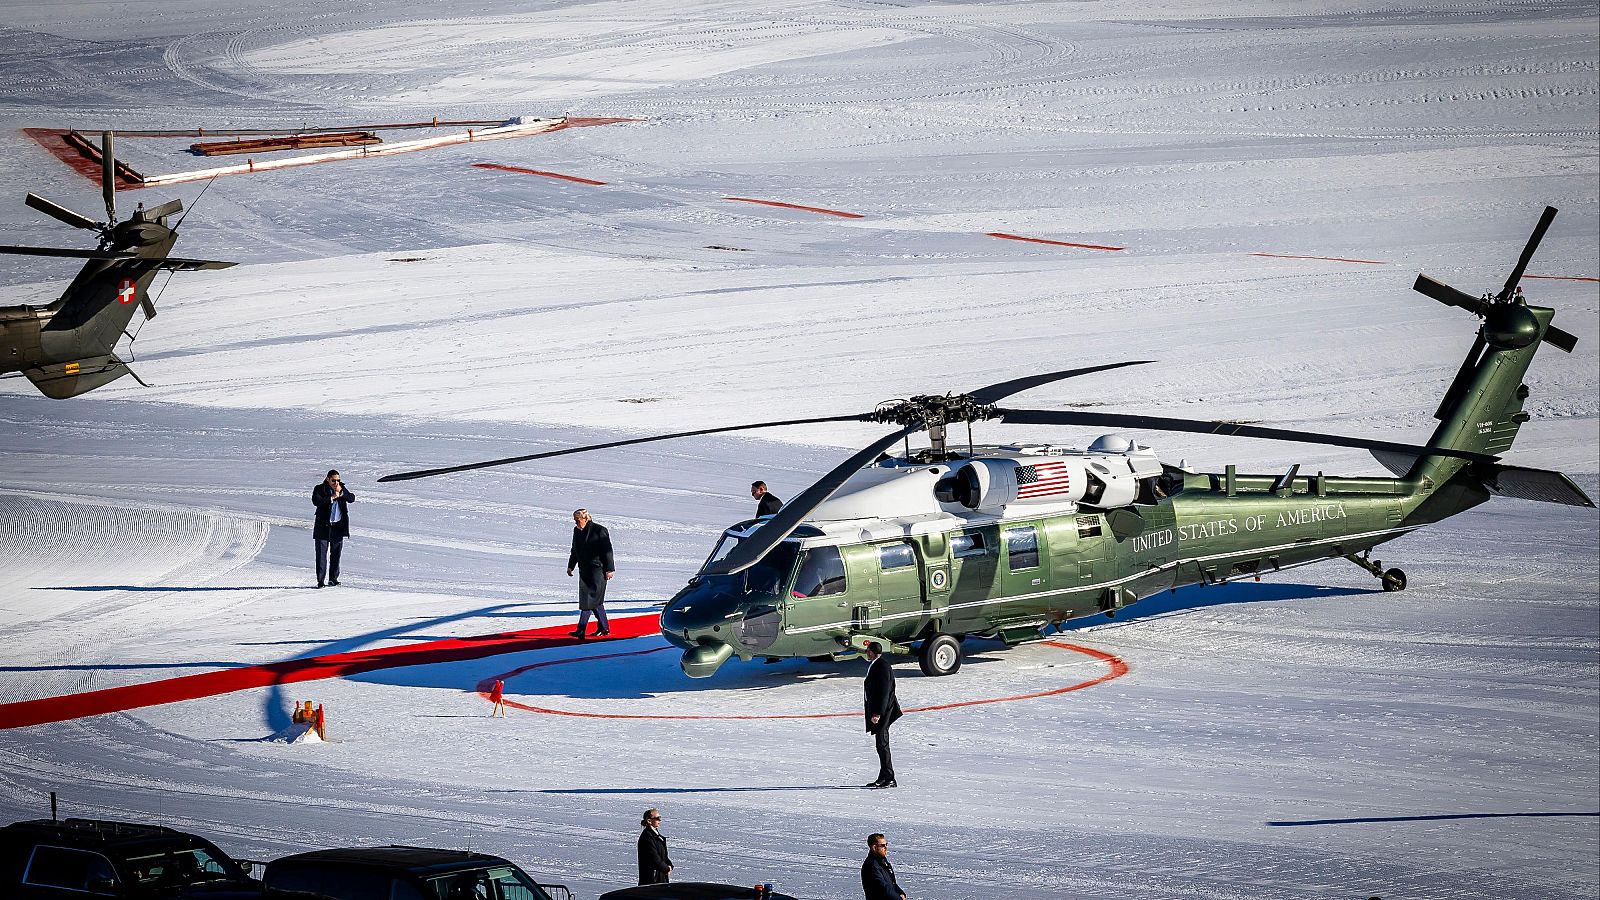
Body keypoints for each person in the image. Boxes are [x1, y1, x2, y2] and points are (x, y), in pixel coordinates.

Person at [566, 508, 615, 638]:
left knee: (590, 600)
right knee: (594, 602)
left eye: (578, 520)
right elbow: (574, 550)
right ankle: (604, 628)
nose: (576, 523)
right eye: (575, 520)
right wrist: (571, 566)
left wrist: (609, 569)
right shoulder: (576, 531)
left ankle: (581, 629)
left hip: (598, 571)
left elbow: (607, 551)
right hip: (584, 571)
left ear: (586, 519)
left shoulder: (599, 530)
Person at [863, 641, 903, 788]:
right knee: (880, 745)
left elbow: (884, 692)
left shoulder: (882, 666)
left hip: (884, 712)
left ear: (872, 652)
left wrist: (877, 713)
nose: (866, 653)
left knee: (883, 744)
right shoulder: (877, 664)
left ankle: (890, 778)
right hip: (880, 711)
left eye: (867, 651)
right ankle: (883, 776)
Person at [311, 469, 354, 588]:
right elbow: (316, 501)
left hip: (337, 527)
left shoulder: (341, 488)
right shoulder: (319, 488)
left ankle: (333, 579)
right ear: (328, 479)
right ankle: (320, 581)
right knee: (321, 556)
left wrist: (342, 494)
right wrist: (331, 497)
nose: (336, 483)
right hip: (323, 527)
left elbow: (352, 498)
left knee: (336, 554)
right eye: (334, 480)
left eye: (338, 480)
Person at [861, 833, 905, 900]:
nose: (886, 848)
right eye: (883, 845)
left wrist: (901, 893)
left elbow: (892, 883)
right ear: (874, 847)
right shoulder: (871, 866)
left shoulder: (883, 861)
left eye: (886, 845)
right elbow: (882, 888)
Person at [637, 808, 672, 885]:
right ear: (649, 821)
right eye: (657, 818)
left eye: (660, 818)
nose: (660, 820)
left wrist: (669, 864)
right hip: (652, 880)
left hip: (660, 877)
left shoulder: (657, 837)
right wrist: (666, 868)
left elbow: (663, 855)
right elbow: (654, 857)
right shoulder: (647, 837)